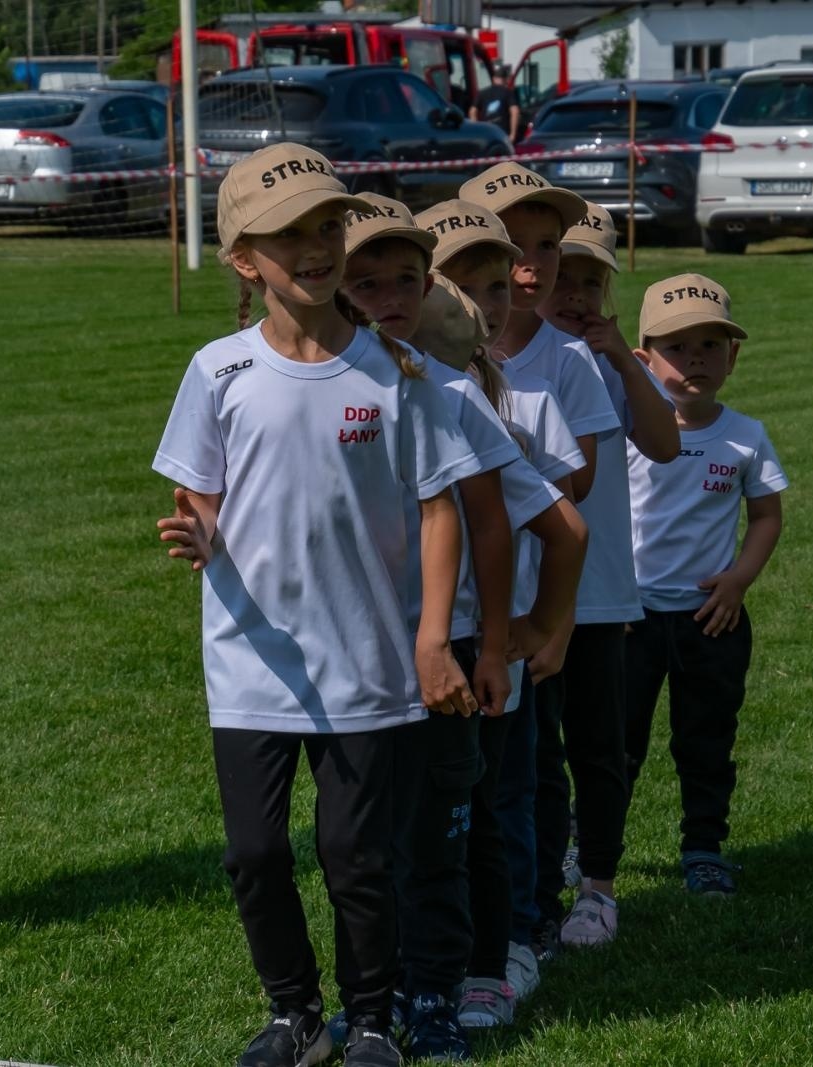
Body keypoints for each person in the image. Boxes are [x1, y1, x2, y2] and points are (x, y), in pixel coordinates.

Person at [153, 143, 478, 1067]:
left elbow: (438, 505)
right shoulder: (216, 370)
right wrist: (203, 535)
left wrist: (430, 638)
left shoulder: (396, 371)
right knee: (254, 855)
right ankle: (295, 1013)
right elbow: (203, 499)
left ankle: (372, 1019)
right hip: (251, 659)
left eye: (327, 225)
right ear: (243, 259)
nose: (315, 246)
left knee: (357, 859)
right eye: (287, 233)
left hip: (369, 662)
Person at [339, 198, 585, 1058]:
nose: (384, 299)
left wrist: (531, 634)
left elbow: (560, 527)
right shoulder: (346, 392)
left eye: (405, 282)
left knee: (473, 819)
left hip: (462, 666)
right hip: (379, 666)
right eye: (363, 281)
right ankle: (400, 982)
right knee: (392, 835)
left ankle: (479, 965)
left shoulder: (447, 396)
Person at [534, 202, 680, 937]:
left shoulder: (609, 365)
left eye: (594, 283)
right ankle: (542, 863)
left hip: (600, 592)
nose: (577, 296)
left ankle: (598, 883)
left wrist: (624, 355)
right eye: (568, 275)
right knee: (532, 747)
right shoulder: (508, 354)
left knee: (599, 742)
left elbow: (664, 445)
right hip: (526, 589)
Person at [623, 273, 786, 898]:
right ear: (643, 360)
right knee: (617, 743)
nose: (696, 359)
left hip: (710, 620)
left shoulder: (745, 435)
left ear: (733, 357)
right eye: (678, 346)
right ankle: (588, 847)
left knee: (706, 740)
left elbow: (767, 515)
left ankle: (704, 847)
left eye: (711, 345)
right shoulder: (628, 434)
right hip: (631, 619)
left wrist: (739, 581)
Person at [470, 64, 521, 144]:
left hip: (486, 134)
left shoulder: (482, 93)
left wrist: (476, 131)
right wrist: (513, 135)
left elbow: (472, 111)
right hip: (503, 135)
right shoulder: (508, 93)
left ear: (494, 79)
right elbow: (515, 111)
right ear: (506, 80)